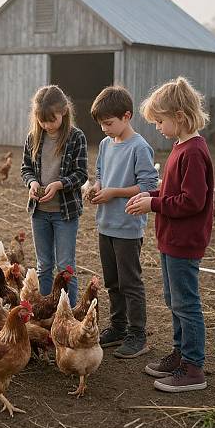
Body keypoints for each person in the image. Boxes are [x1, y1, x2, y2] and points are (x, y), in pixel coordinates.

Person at [126, 76, 213, 392]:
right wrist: (154, 196)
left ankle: (193, 367)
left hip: (184, 240)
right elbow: (177, 190)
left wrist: (155, 204)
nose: (157, 127)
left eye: (160, 121)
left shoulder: (192, 152)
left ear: (179, 116)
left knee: (186, 302)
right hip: (171, 237)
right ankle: (180, 354)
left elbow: (193, 201)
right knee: (173, 299)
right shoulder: (180, 147)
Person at [89, 86, 158, 359]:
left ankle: (137, 334)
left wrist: (114, 192)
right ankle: (117, 327)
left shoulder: (140, 147)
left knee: (130, 282)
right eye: (102, 124)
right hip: (105, 223)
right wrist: (95, 188)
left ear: (127, 116)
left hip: (128, 226)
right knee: (112, 281)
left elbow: (147, 186)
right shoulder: (106, 145)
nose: (104, 129)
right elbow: (100, 174)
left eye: (109, 123)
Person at [21, 85, 87, 307]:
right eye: (42, 121)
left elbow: (81, 174)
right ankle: (48, 312)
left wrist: (59, 184)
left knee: (66, 264)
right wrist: (32, 183)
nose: (47, 125)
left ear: (64, 112)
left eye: (52, 119)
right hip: (39, 212)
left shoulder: (76, 138)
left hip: (64, 212)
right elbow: (25, 169)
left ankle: (71, 312)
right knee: (44, 265)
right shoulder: (33, 138)